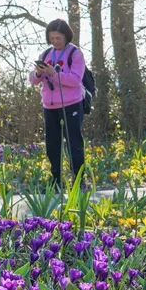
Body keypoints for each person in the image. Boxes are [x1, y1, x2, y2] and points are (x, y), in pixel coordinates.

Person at [29, 18, 86, 189]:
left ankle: (79, 179)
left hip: (71, 104)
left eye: (58, 38)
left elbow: (76, 80)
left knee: (73, 143)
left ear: (66, 37)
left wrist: (54, 74)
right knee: (52, 145)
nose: (55, 42)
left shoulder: (75, 54)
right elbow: (33, 80)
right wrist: (39, 73)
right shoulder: (45, 54)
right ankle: (56, 180)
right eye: (52, 38)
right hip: (50, 106)